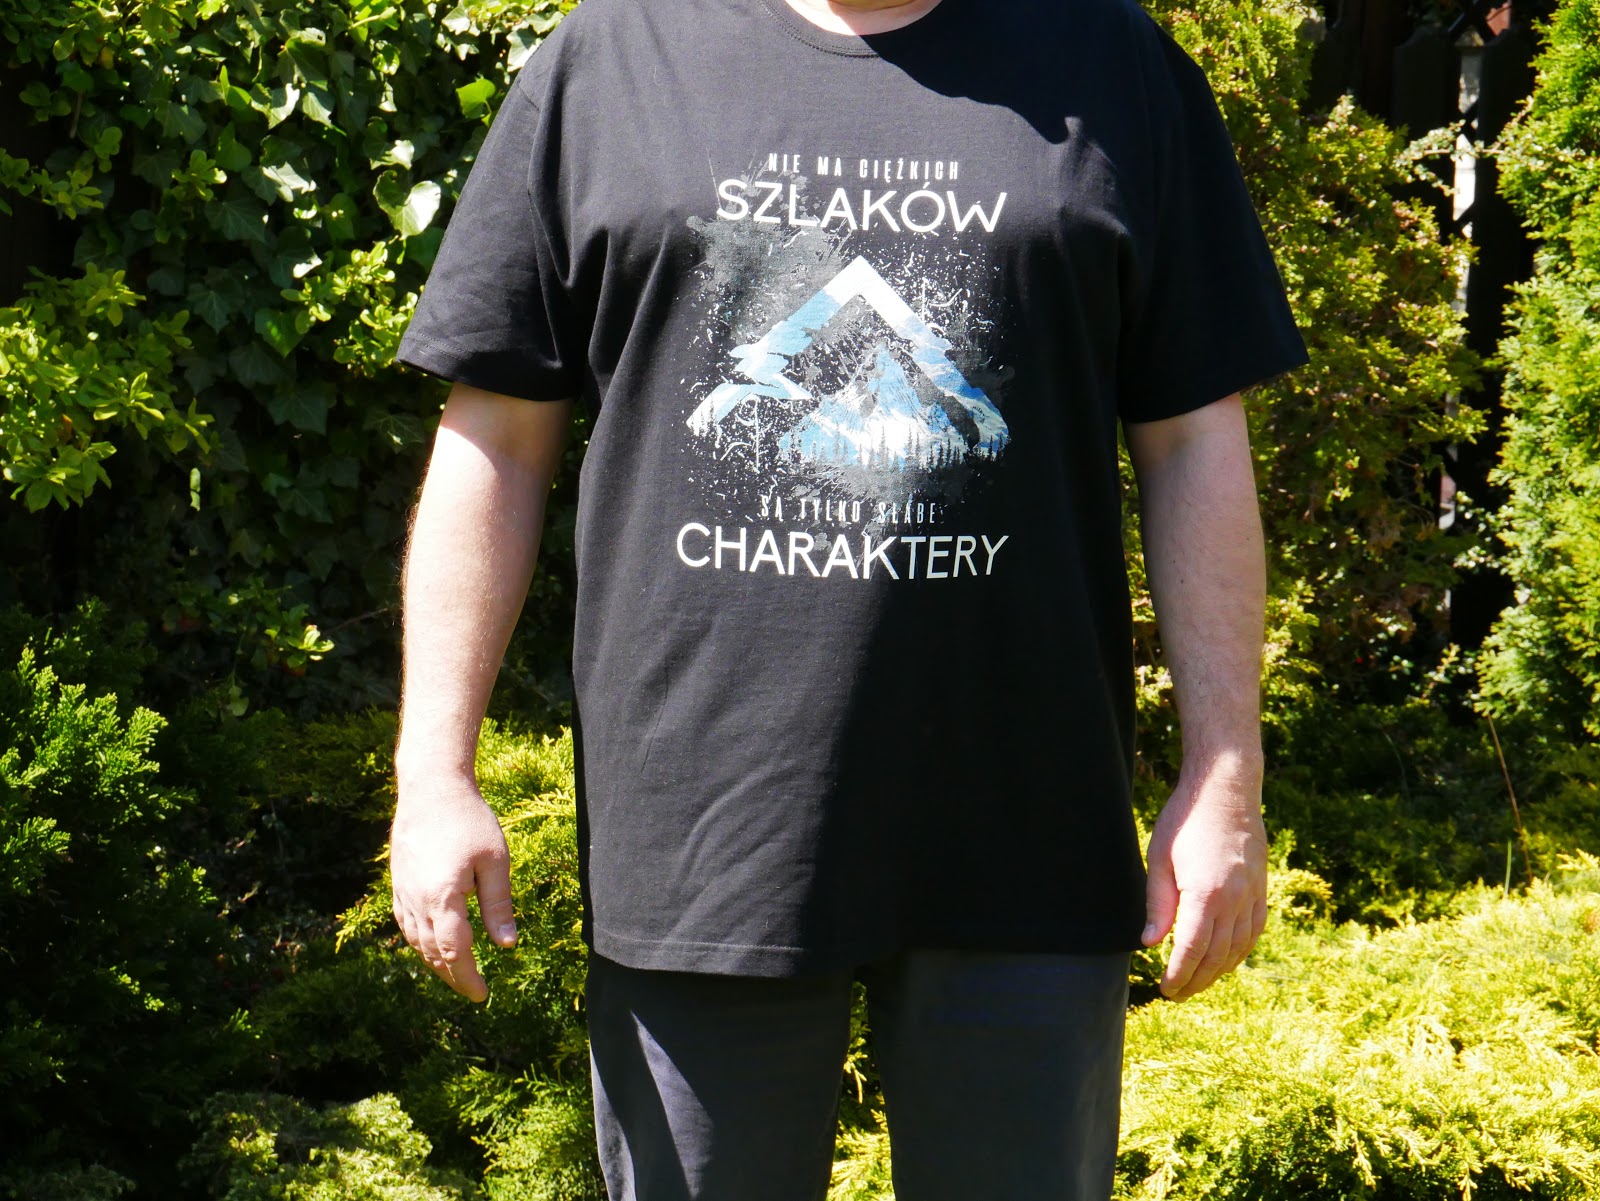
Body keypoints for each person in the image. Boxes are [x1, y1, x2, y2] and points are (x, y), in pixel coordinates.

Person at [388, 0, 1308, 1195]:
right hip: (703, 830)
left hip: (1023, 826)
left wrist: (1224, 776)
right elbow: (496, 439)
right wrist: (433, 775)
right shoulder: (611, 62)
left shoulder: (1112, 64)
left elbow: (1192, 439)